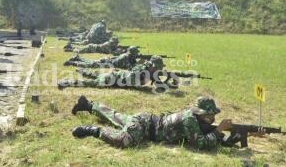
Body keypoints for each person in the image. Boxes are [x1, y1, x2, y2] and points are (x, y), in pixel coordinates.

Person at [71, 96, 233, 150]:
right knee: (124, 140)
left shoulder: (194, 117)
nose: (213, 118)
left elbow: (204, 133)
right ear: (203, 114)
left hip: (147, 120)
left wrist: (226, 137)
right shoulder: (190, 120)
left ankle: (88, 105)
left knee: (116, 117)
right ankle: (93, 130)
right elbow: (200, 144)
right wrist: (219, 130)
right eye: (211, 115)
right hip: (145, 127)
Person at [58, 56, 164, 90]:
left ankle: (81, 70)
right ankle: (66, 82)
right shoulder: (141, 73)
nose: (157, 71)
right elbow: (135, 83)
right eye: (157, 69)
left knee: (96, 74)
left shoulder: (145, 68)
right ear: (152, 67)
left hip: (115, 75)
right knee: (89, 82)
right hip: (111, 80)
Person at [64, 46, 139, 69]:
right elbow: (130, 68)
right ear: (132, 53)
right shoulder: (125, 57)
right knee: (91, 65)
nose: (136, 54)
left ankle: (78, 58)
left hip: (109, 61)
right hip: (108, 63)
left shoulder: (128, 56)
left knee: (91, 62)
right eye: (136, 53)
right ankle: (72, 62)